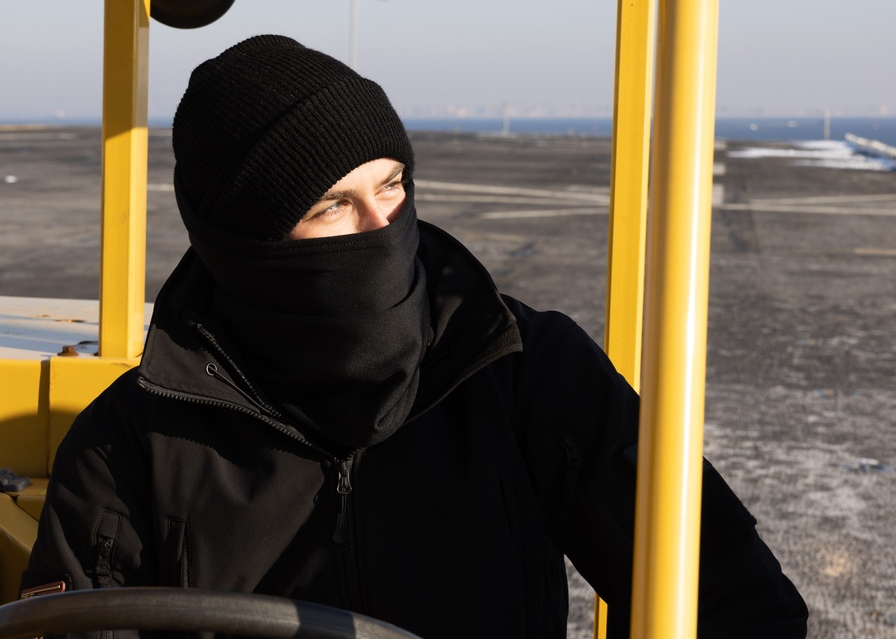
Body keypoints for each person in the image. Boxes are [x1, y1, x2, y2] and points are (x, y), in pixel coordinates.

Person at [22, 35, 808, 638]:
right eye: (334, 205)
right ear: (244, 245)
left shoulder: (523, 369)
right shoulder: (128, 441)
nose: (383, 229)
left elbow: (737, 600)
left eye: (392, 183)